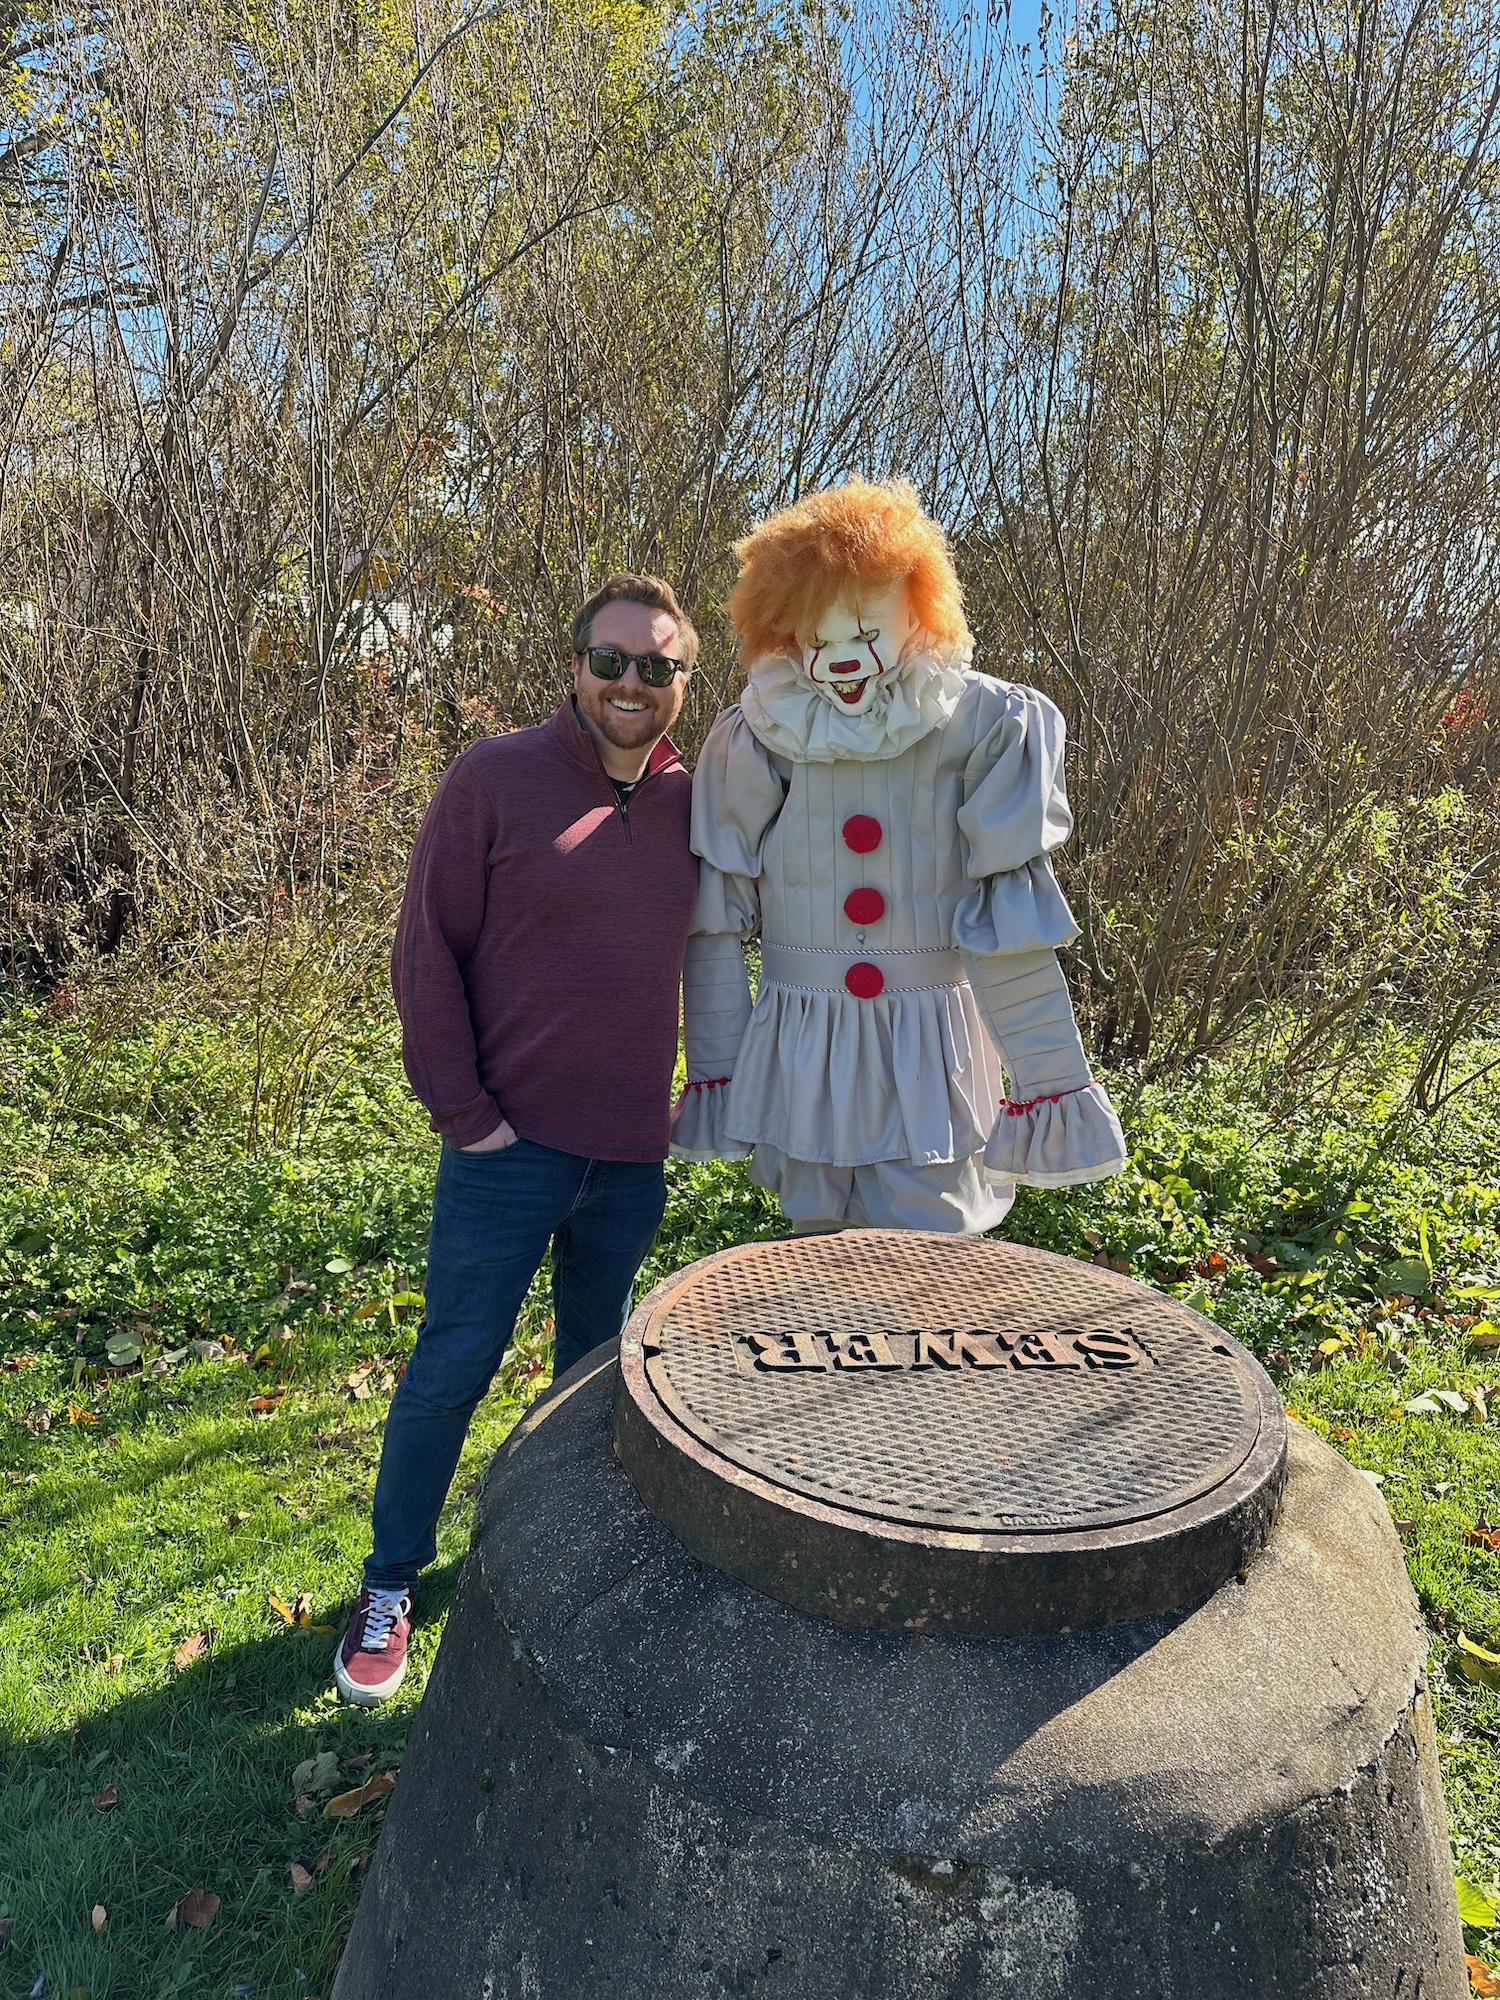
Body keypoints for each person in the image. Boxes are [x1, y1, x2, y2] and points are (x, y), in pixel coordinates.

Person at [335, 574, 698, 1705]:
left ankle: (560, 1559)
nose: (631, 683)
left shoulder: (706, 801)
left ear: (686, 682)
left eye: (658, 665)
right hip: (509, 1150)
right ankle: (391, 1581)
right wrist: (468, 1117)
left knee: (592, 1378)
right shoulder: (492, 778)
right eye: (612, 659)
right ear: (574, 666)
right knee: (453, 1364)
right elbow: (422, 954)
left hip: (631, 1155)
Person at [672, 476, 1127, 1232]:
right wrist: (719, 1067)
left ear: (916, 608)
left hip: (929, 1054)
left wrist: (1051, 1080)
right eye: (819, 642)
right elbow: (714, 913)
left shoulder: (985, 722)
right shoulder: (759, 732)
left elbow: (1008, 926)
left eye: (864, 633)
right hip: (805, 1049)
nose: (842, 660)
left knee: (927, 1262)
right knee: (809, 1262)